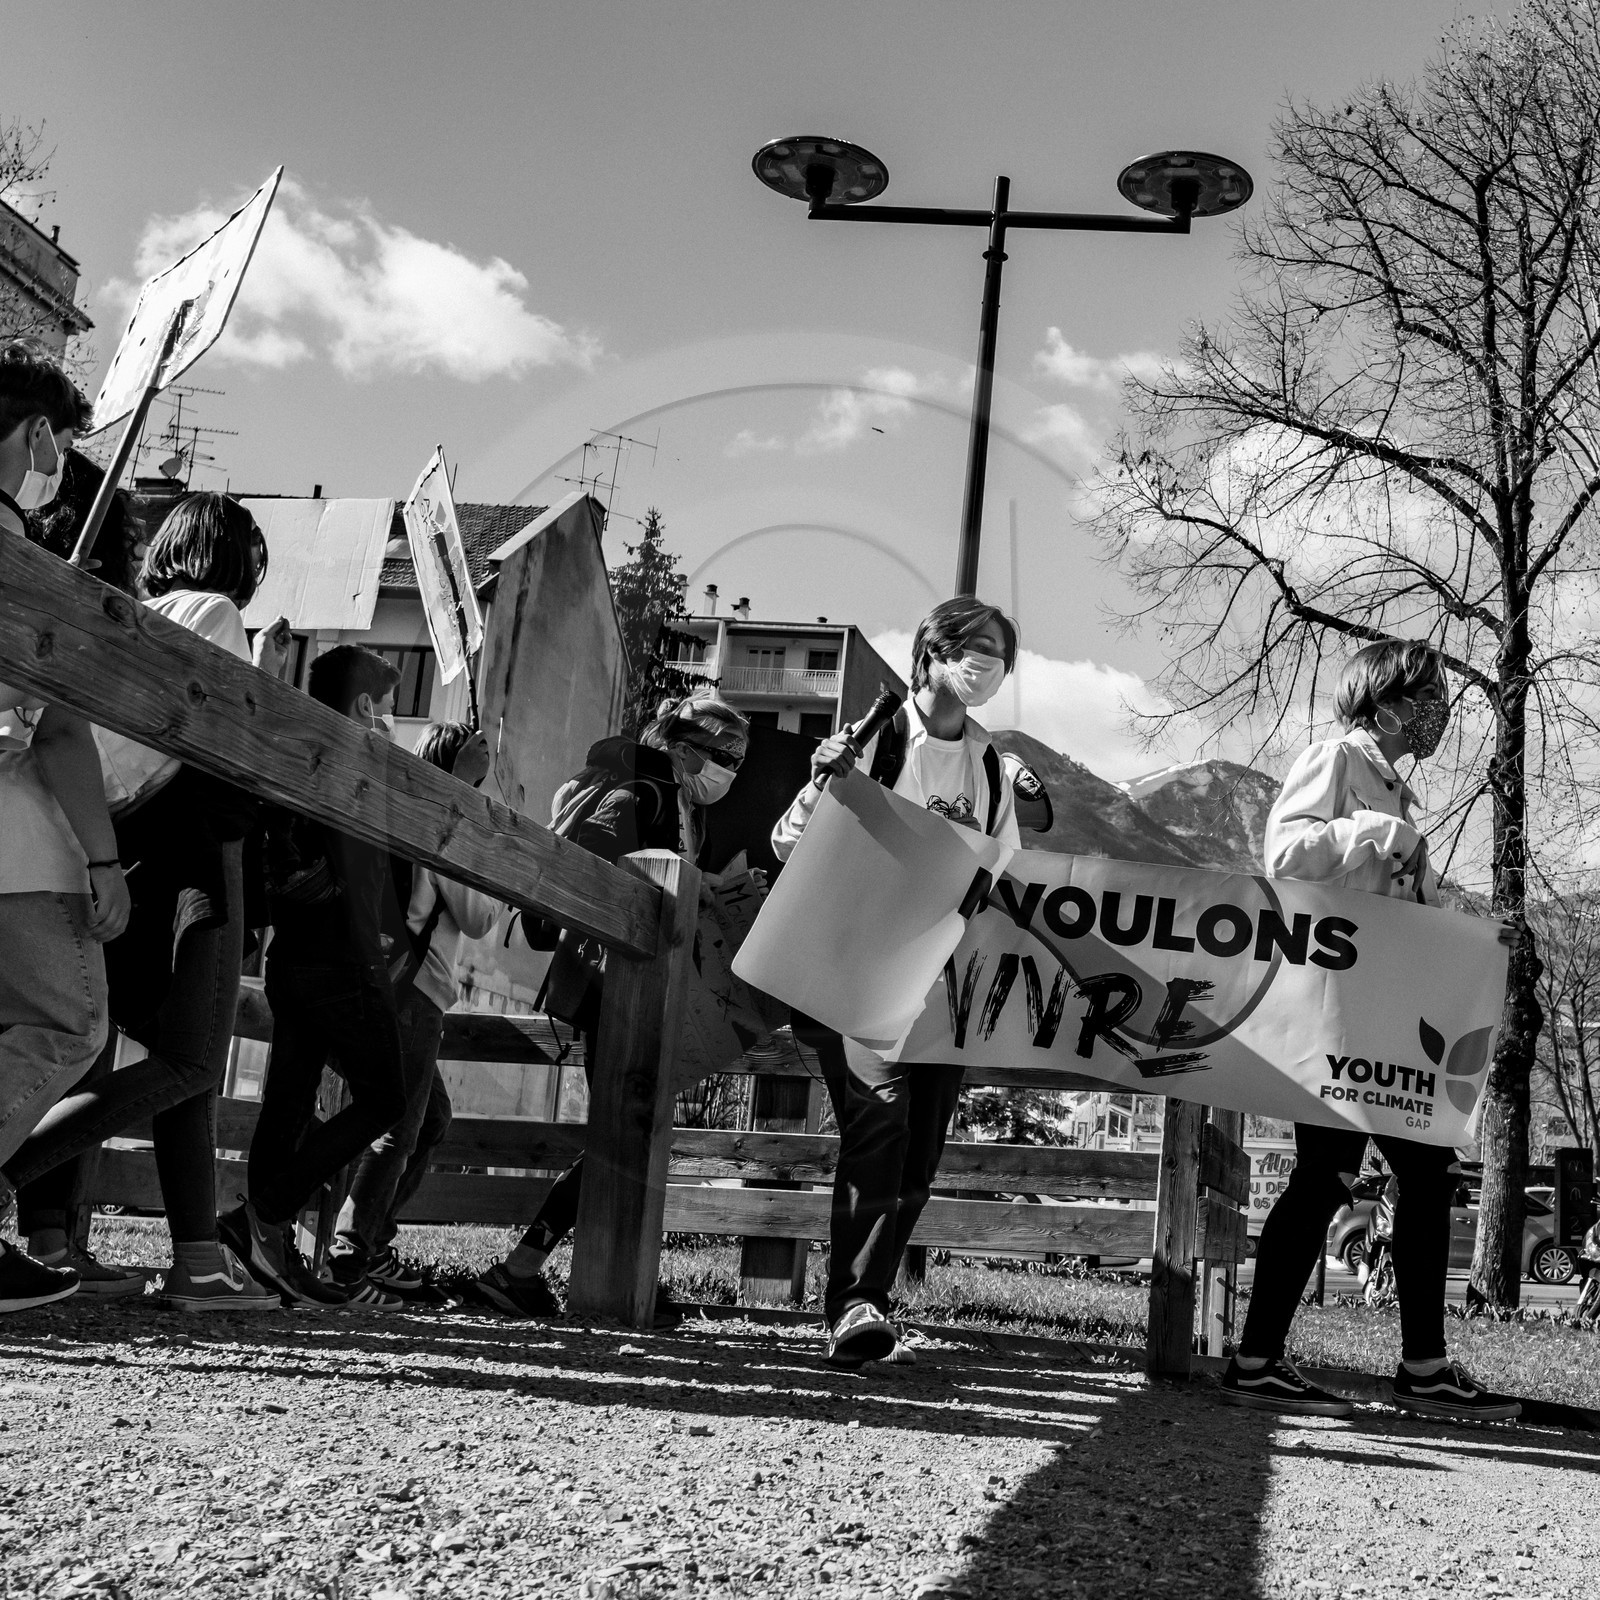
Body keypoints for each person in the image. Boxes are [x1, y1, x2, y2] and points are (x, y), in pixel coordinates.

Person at [1219, 638, 1521, 1422]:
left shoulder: (1392, 788)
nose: (1438, 717)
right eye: (1426, 700)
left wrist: (1468, 942)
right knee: (1336, 1175)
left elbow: (1401, 912)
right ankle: (1287, 1361)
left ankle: (1396, 1363)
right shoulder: (1337, 760)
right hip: (1335, 1012)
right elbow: (1284, 854)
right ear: (1383, 703)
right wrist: (1373, 835)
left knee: (1410, 1175)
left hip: (1381, 1012)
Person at [4, 493, 290, 1312]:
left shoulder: (136, 607)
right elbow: (203, 740)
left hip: (101, 843)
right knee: (191, 1059)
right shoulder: (217, 612)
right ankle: (16, 1182)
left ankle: (57, 1240)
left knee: (100, 1047)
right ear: (236, 557)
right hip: (183, 851)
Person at [772, 597, 1021, 1368]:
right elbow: (788, 844)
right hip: (852, 966)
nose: (989, 664)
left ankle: (869, 1301)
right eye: (975, 646)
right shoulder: (877, 736)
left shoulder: (990, 766)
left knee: (919, 1147)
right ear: (932, 653)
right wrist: (821, 787)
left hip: (939, 980)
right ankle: (853, 1305)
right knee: (880, 1117)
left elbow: (998, 866)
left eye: (1000, 653)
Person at [471, 688, 750, 1319]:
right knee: (624, 1129)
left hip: (631, 984)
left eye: (738, 757)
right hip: (612, 987)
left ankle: (579, 1272)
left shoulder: (670, 800)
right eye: (721, 754)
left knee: (627, 1129)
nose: (729, 769)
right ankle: (526, 1271)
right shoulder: (640, 795)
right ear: (680, 747)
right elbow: (615, 889)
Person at [0, 340, 130, 1313]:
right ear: (37, 434)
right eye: (60, 444)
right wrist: (103, 857)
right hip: (20, 845)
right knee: (68, 1021)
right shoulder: (21, 564)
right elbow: (58, 730)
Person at [220, 644, 409, 1310]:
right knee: (388, 1097)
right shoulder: (353, 760)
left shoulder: (298, 749)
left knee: (291, 1100)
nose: (387, 721)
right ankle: (265, 1216)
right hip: (342, 955)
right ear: (362, 705)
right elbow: (363, 872)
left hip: (290, 956)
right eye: (383, 707)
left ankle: (264, 1251)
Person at [327, 721, 499, 1297]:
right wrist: (470, 797)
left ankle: (367, 1242)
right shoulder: (442, 824)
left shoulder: (401, 814)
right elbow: (477, 917)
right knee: (398, 1127)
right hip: (415, 990)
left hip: (387, 983)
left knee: (429, 1120)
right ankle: (352, 1255)